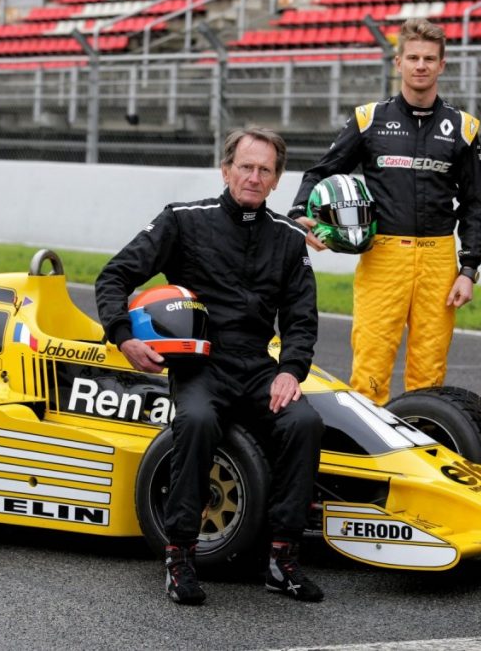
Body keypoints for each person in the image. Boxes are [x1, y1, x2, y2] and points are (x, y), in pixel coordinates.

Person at [95, 127, 325, 605]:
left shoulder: (288, 238)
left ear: (277, 180)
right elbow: (115, 275)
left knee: (304, 421)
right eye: (246, 166)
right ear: (226, 170)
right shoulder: (183, 220)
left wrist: (291, 370)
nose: (254, 177)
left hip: (259, 366)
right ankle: (179, 556)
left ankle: (282, 559)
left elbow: (302, 318)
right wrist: (124, 337)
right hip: (200, 365)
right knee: (197, 420)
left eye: (265, 170)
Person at [289, 17, 481, 405]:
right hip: (382, 256)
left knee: (429, 373)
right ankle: (368, 460)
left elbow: (474, 205)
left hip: (439, 259)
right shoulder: (369, 119)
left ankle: (423, 454)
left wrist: (468, 269)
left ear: (442, 65)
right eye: (412, 57)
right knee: (370, 367)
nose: (421, 66)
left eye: (430, 58)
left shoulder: (463, 127)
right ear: (398, 62)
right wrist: (299, 213)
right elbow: (322, 172)